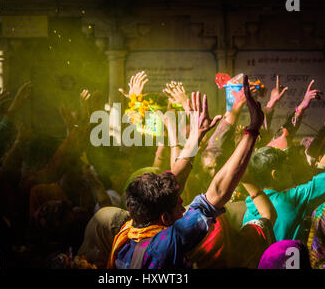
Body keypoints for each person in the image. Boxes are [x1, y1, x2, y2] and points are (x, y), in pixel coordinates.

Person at [108, 75, 265, 269]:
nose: (184, 209)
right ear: (165, 218)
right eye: (178, 206)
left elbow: (175, 179)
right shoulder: (165, 245)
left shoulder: (129, 232)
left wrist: (196, 136)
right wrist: (253, 130)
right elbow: (216, 193)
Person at [243, 119, 325, 242]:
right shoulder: (292, 199)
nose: (291, 172)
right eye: (287, 169)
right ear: (276, 175)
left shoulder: (249, 210)